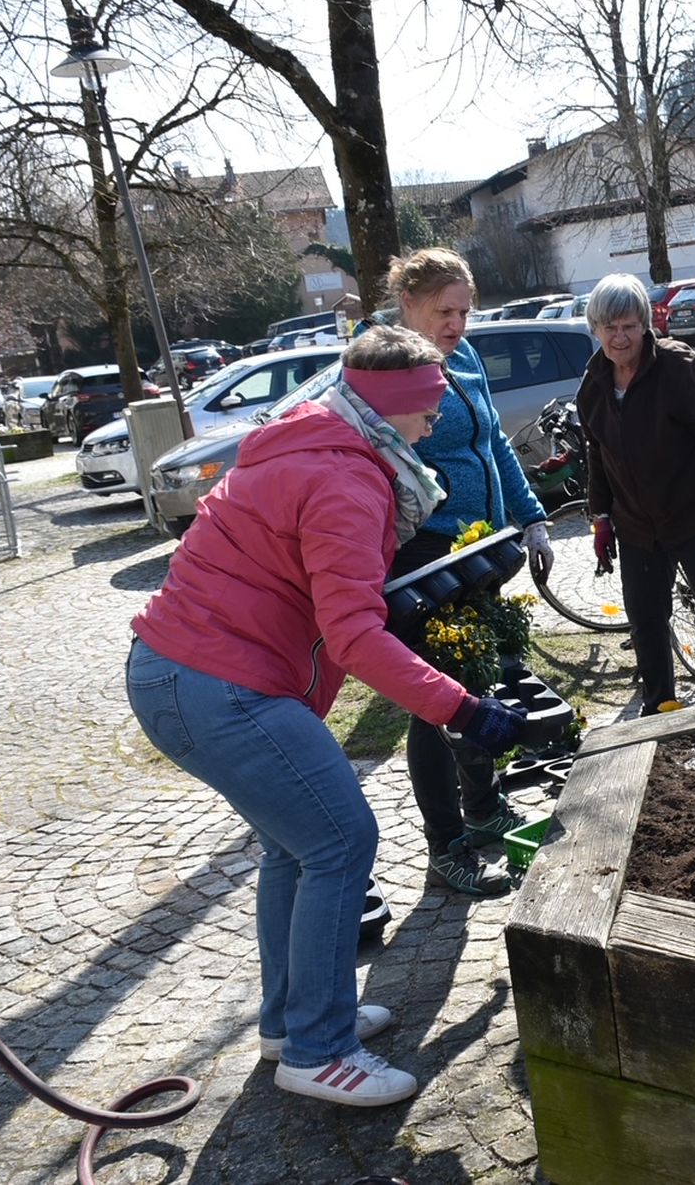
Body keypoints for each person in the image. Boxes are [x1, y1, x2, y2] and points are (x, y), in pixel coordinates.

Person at [126, 325, 529, 1107]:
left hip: (180, 672)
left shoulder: (319, 441)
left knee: (296, 846)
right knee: (342, 840)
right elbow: (353, 636)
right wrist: (465, 709)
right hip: (215, 682)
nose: (432, 426)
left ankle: (293, 1021)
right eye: (427, 410)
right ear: (393, 406)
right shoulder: (347, 480)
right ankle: (318, 1049)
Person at [385, 247, 553, 897]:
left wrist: (531, 517)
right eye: (443, 311)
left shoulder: (467, 357)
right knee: (434, 702)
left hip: (476, 552)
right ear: (408, 304)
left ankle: (483, 808)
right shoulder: (390, 371)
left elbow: (494, 443)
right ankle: (445, 844)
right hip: (423, 556)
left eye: (465, 311)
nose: (456, 324)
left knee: (474, 685)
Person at [575, 273, 695, 714]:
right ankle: (660, 717)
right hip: (637, 529)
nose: (620, 337)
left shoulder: (675, 369)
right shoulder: (593, 386)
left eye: (629, 326)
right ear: (596, 329)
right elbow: (598, 455)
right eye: (610, 327)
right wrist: (601, 520)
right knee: (647, 628)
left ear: (645, 325)